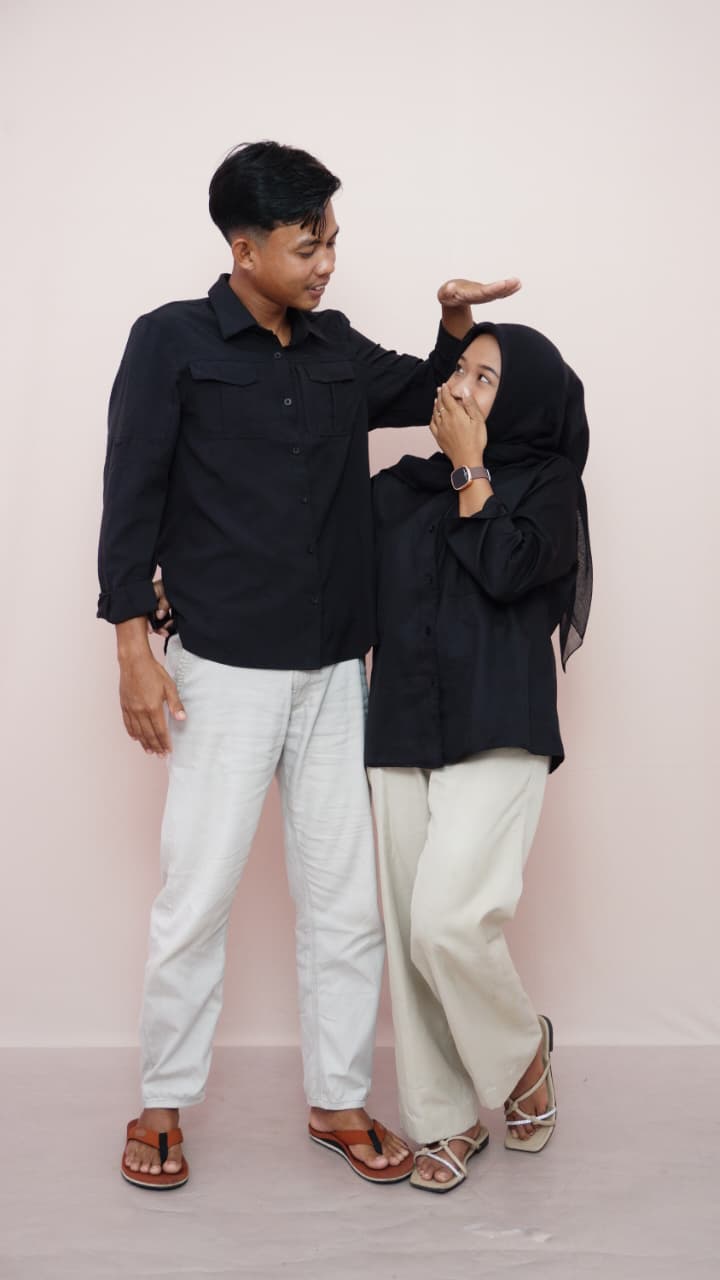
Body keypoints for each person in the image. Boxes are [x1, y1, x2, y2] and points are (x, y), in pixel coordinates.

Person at [97, 140, 519, 1189]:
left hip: (335, 670)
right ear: (244, 250)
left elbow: (426, 392)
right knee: (196, 893)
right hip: (222, 668)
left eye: (331, 240)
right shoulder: (170, 341)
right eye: (305, 245)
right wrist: (132, 646)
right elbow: (131, 490)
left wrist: (454, 326)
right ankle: (162, 1101)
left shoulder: (334, 346)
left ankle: (337, 1097)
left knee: (343, 905)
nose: (326, 262)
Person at [364, 320, 591, 1192]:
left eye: (485, 378)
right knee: (409, 939)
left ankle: (522, 1055)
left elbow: (505, 569)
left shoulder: (547, 484)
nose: (458, 387)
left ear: (523, 399)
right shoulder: (399, 489)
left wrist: (469, 468)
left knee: (448, 924)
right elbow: (325, 571)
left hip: (500, 721)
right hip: (400, 724)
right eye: (459, 370)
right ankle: (444, 1119)